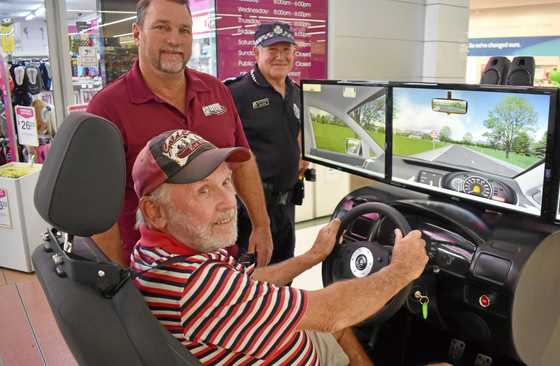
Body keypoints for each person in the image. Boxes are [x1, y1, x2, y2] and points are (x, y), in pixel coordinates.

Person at [130, 129, 433, 365]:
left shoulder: (154, 255)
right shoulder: (198, 286)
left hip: (272, 347)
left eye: (225, 183)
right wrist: (401, 270)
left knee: (340, 331)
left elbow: (247, 284)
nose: (228, 202)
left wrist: (312, 256)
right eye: (204, 191)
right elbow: (330, 313)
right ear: (155, 211)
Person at [86, 0, 272, 267]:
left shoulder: (215, 90)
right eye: (162, 27)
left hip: (220, 262)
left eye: (184, 30)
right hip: (153, 272)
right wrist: (121, 283)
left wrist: (261, 225)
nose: (175, 40)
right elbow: (98, 210)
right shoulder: (107, 108)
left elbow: (242, 163)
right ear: (137, 33)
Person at [225, 22, 307, 265]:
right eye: (272, 50)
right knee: (253, 275)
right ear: (256, 52)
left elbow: (295, 129)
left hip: (287, 205)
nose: (280, 57)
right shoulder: (235, 93)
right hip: (249, 208)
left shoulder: (295, 91)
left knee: (284, 267)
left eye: (286, 50)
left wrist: (301, 155)